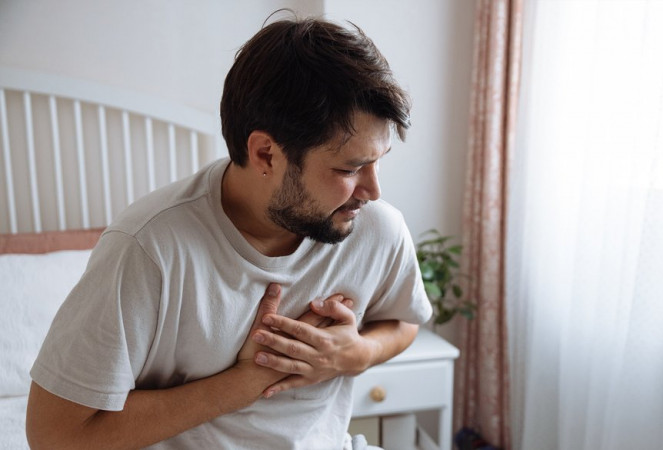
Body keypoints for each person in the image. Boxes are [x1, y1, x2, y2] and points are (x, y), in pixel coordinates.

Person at [25, 14, 432, 450]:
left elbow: (403, 320)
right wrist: (248, 381)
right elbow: (55, 435)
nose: (373, 190)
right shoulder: (148, 250)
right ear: (265, 154)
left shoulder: (376, 227)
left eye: (379, 159)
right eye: (350, 168)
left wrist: (354, 355)